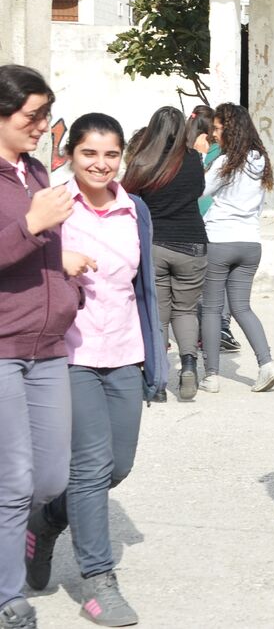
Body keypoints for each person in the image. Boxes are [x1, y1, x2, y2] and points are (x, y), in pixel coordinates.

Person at [24, 114, 165, 628]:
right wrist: (56, 260)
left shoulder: (135, 209)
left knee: (116, 467)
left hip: (125, 350)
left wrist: (157, 354)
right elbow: (21, 260)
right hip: (70, 353)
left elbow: (145, 286)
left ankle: (43, 521)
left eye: (110, 154)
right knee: (88, 467)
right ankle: (98, 582)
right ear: (69, 154)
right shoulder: (55, 204)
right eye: (89, 154)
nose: (100, 164)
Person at [0, 66, 84, 629]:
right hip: (3, 345)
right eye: (32, 116)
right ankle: (9, 596)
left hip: (49, 345)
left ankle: (26, 532)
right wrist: (32, 226)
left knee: (52, 479)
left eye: (45, 115)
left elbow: (40, 247)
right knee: (14, 480)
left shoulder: (34, 171)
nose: (41, 126)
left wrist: (66, 272)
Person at [122, 106, 209, 403]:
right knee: (185, 310)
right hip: (193, 244)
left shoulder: (142, 161)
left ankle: (157, 382)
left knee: (157, 315)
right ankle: (188, 366)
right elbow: (198, 192)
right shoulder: (194, 159)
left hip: (154, 244)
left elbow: (127, 198)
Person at [197, 104, 274, 394]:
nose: (213, 133)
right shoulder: (260, 161)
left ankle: (211, 375)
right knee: (242, 307)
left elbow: (201, 190)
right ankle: (266, 364)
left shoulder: (224, 162)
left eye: (218, 128)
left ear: (230, 129)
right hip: (250, 242)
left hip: (219, 239)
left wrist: (199, 157)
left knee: (211, 309)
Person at [187, 106, 240, 356]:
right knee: (221, 279)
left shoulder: (190, 151)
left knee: (204, 278)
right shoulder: (222, 152)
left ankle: (210, 329)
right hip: (212, 219)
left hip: (199, 218)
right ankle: (221, 328)